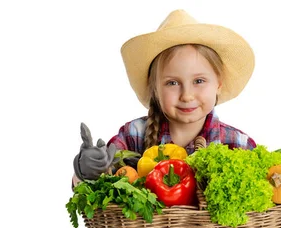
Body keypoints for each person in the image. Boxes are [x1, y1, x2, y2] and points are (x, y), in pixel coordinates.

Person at [72, 9, 257, 188]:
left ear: (218, 83)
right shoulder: (134, 135)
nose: (187, 95)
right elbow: (99, 187)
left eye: (199, 81)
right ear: (155, 89)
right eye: (172, 83)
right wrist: (87, 172)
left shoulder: (237, 144)